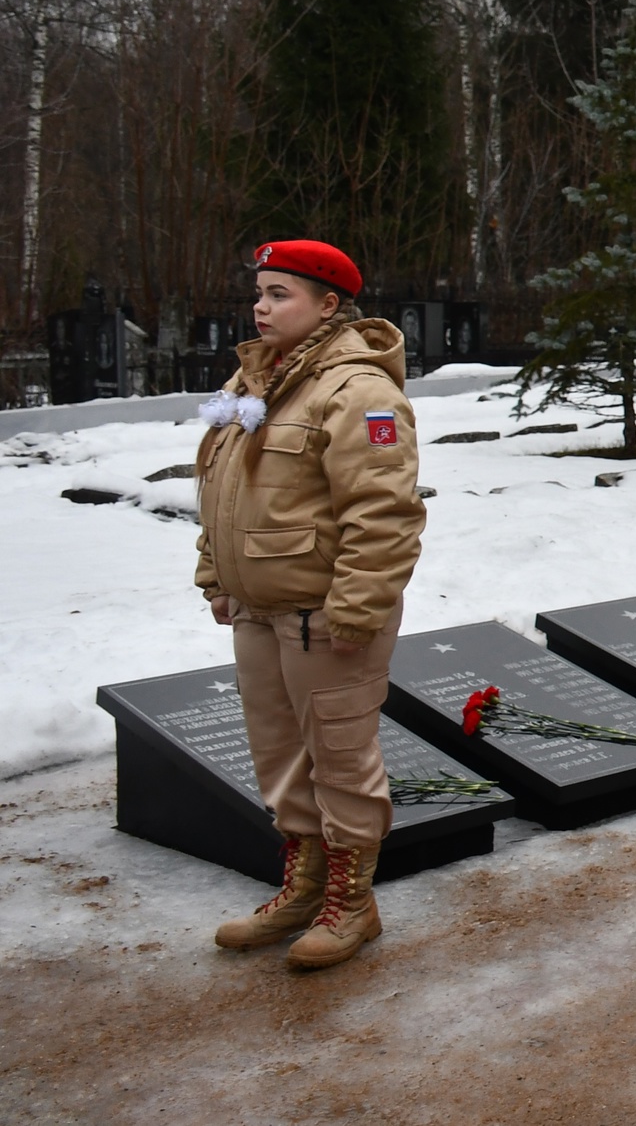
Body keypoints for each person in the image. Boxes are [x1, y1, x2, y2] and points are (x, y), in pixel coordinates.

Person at [195, 239, 424, 970]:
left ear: (330, 304)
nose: (261, 307)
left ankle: (352, 902)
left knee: (340, 758)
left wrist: (357, 608)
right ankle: (303, 888)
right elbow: (221, 488)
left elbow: (383, 513)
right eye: (259, 292)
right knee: (281, 755)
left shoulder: (360, 392)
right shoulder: (255, 379)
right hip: (260, 608)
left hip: (327, 614)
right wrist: (217, 574)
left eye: (280, 293)